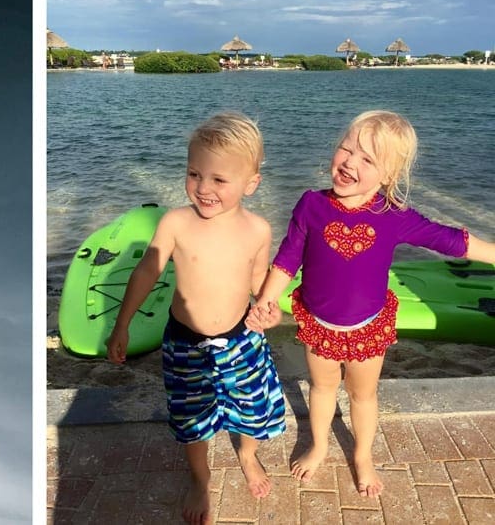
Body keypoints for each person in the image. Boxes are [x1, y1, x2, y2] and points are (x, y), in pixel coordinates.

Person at [247, 110, 495, 498]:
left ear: (389, 176)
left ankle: (362, 456)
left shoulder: (392, 215)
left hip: (367, 326)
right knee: (322, 387)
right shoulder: (311, 204)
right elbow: (287, 258)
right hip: (318, 322)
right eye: (346, 149)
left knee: (363, 395)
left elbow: (449, 240)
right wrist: (265, 298)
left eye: (367, 159)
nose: (349, 162)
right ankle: (321, 446)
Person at [105, 112, 286, 525]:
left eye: (219, 180)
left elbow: (261, 284)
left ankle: (247, 454)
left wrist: (271, 313)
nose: (203, 188)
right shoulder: (176, 223)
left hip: (242, 341)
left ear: (251, 184)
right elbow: (146, 272)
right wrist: (122, 324)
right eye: (194, 174)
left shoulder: (257, 230)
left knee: (252, 409)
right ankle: (200, 480)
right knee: (193, 419)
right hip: (185, 342)